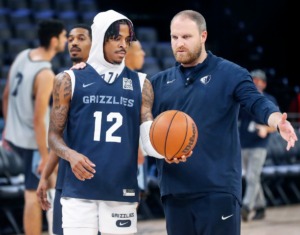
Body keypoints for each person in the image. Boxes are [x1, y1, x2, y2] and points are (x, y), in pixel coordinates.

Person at [138, 10, 298, 235]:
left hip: (217, 189)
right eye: (174, 37)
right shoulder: (157, 83)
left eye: (186, 37)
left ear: (203, 36)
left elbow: (256, 102)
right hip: (175, 191)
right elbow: (144, 129)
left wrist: (277, 121)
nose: (179, 43)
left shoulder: (230, 73)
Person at [48, 10, 146, 235]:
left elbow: (149, 132)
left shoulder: (141, 83)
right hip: (79, 189)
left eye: (127, 40)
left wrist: (164, 150)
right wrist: (71, 155)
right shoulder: (69, 78)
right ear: (101, 38)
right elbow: (53, 136)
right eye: (116, 38)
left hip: (120, 187)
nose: (124, 45)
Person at [1, 19, 67, 235]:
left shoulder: (23, 55)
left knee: (52, 188)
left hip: (13, 137)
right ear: (54, 40)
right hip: (32, 144)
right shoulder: (46, 73)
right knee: (33, 195)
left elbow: (5, 95)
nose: (67, 41)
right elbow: (39, 119)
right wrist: (44, 156)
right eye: (65, 36)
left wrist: (9, 128)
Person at [36, 23, 92, 235]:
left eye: (81, 38)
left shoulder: (107, 80)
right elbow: (59, 137)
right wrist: (45, 177)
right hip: (68, 181)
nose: (74, 43)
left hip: (97, 181)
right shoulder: (64, 80)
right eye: (70, 39)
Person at [239, 69, 278, 221]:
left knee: (251, 177)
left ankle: (247, 207)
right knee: (252, 178)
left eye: (258, 80)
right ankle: (261, 206)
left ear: (264, 83)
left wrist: (266, 128)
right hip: (244, 143)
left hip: (259, 146)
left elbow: (277, 124)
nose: (255, 83)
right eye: (253, 80)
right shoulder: (244, 99)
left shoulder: (269, 99)